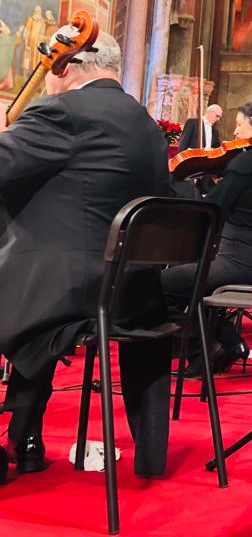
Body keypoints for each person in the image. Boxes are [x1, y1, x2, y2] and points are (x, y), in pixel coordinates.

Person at [0, 28, 172, 480]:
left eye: (50, 68)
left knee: (21, 267)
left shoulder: (64, 112)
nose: (47, 77)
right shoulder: (146, 124)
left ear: (66, 66)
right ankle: (26, 433)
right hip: (135, 292)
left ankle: (21, 431)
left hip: (74, 290)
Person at [162, 101, 252, 374]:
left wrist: (203, 185)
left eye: (241, 123)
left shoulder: (246, 163)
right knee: (191, 281)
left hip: (238, 259)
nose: (236, 129)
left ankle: (205, 347)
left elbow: (213, 210)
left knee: (162, 283)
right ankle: (225, 342)